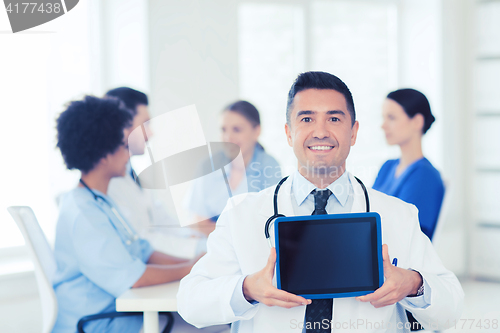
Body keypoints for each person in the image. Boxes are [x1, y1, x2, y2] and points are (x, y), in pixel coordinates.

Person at [177, 72, 463, 333]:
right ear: (289, 133)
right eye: (306, 119)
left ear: (353, 132)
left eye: (334, 119)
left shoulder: (399, 215)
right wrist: (247, 289)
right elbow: (190, 303)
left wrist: (413, 284)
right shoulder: (242, 214)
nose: (321, 131)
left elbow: (450, 311)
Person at [52, 96, 200, 333]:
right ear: (103, 155)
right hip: (100, 324)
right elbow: (135, 278)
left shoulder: (100, 201)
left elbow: (144, 251)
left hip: (122, 314)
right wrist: (191, 268)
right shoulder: (84, 214)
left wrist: (197, 263)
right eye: (123, 146)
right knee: (211, 324)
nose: (128, 153)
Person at [105, 87, 203, 259]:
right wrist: (196, 248)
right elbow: (141, 238)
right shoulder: (108, 182)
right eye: (145, 124)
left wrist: (192, 237)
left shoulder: (130, 172)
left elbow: (158, 218)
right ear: (123, 124)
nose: (150, 133)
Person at [185, 100, 281, 236]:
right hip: (210, 248)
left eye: (237, 130)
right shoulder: (207, 166)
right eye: (224, 130)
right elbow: (198, 221)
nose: (228, 137)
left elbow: (271, 221)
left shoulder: (269, 166)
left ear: (256, 131)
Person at [373, 89, 445, 240]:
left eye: (391, 118)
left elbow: (412, 236)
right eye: (383, 118)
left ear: (417, 122)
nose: (383, 126)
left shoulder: (425, 176)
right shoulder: (387, 167)